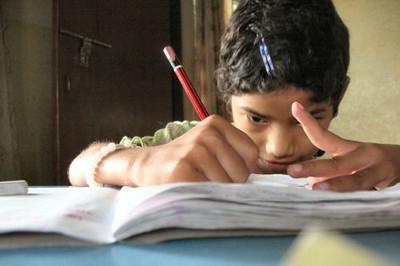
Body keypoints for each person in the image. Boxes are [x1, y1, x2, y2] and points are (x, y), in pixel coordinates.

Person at [68, 0, 399, 191]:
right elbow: (78, 169)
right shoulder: (183, 142)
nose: (280, 148)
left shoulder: (343, 175)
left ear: (338, 96)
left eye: (310, 117)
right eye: (256, 118)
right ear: (227, 95)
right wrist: (138, 165)